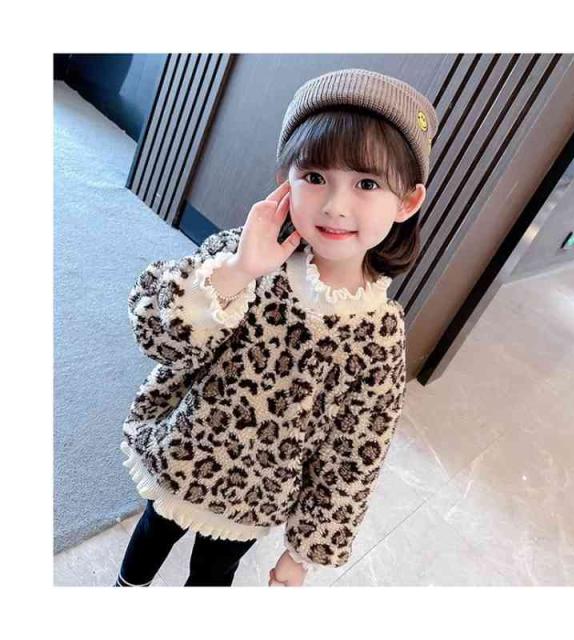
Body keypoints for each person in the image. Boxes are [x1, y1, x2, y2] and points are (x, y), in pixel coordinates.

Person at [114, 67, 438, 587]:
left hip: (255, 497)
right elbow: (156, 332)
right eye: (314, 177)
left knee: (212, 575)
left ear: (407, 202)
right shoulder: (245, 255)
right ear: (286, 180)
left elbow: (355, 455)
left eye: (367, 183)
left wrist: (304, 551)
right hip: (182, 455)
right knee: (151, 535)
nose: (335, 205)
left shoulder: (379, 336)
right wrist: (237, 272)